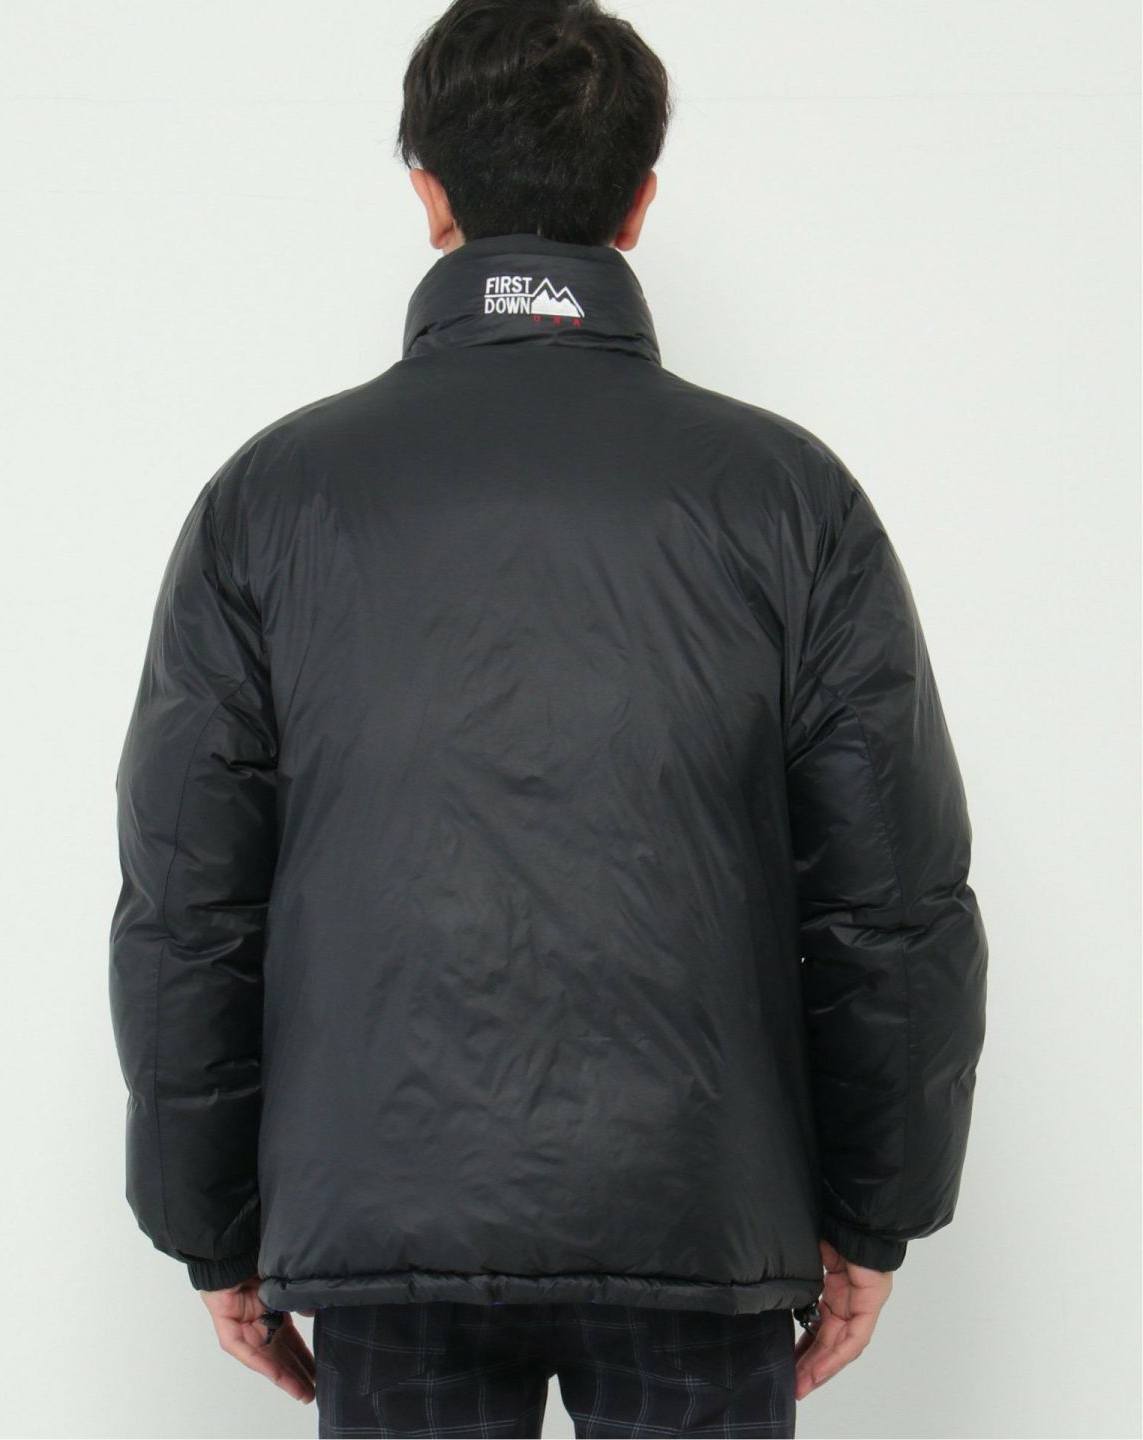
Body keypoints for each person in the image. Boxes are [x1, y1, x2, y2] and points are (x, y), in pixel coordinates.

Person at [107, 1, 989, 1435]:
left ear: (428, 195)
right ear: (639, 205)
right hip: (699, 1221)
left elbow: (189, 901)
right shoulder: (793, 500)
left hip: (388, 1231)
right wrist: (874, 1213)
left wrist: (212, 1226)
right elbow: (889, 903)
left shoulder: (269, 501)